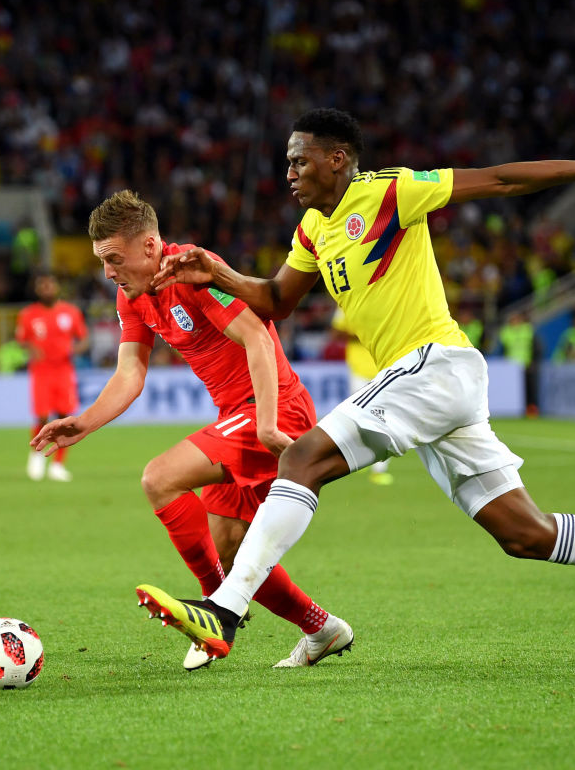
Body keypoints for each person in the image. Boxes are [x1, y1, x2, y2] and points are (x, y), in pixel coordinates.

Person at [136, 108, 575, 661]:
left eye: (300, 159)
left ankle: (225, 611)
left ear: (337, 158)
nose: (289, 171)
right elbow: (276, 301)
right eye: (288, 161)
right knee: (525, 533)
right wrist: (220, 272)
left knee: (302, 458)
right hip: (432, 387)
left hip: (433, 364)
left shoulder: (389, 192)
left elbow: (500, 179)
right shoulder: (313, 231)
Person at [33, 190, 352, 670]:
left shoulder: (195, 270)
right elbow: (129, 375)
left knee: (159, 477)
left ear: (150, 247)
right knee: (235, 547)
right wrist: (84, 423)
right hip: (237, 417)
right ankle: (321, 627)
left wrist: (266, 422)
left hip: (276, 408)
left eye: (114, 259)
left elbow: (258, 341)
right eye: (102, 261)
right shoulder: (132, 295)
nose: (108, 273)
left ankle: (212, 613)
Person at [16, 273, 88, 481]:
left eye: (50, 285)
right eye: (43, 286)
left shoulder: (70, 312)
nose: (47, 289)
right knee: (42, 416)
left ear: (57, 288)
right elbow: (22, 339)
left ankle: (58, 465)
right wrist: (32, 348)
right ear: (38, 290)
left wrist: (76, 349)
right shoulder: (29, 314)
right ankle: (37, 455)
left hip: (64, 371)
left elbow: (83, 338)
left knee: (65, 418)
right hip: (41, 371)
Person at [331, 307, 392, 484]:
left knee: (383, 418)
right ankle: (359, 458)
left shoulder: (385, 301)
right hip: (358, 370)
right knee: (357, 418)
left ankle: (379, 470)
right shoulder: (346, 304)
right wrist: (364, 334)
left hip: (384, 367)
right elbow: (335, 332)